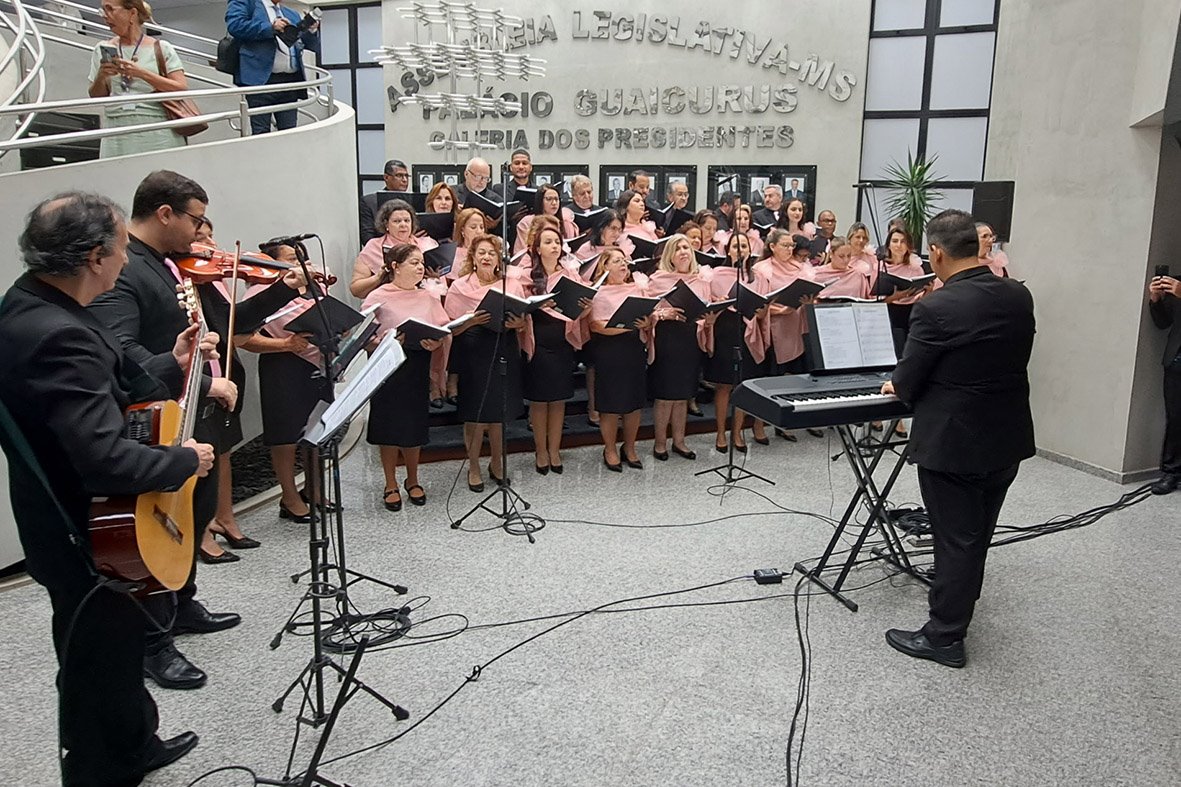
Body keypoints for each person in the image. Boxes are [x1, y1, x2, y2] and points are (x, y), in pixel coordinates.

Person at [0, 192, 215, 786]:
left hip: (68, 519)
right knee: (96, 655)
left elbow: (106, 390)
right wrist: (183, 461)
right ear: (95, 257)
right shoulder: (57, 335)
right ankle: (104, 769)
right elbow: (104, 459)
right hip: (85, 529)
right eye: (121, 248)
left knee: (113, 648)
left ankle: (134, 742)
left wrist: (170, 363)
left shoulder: (30, 301)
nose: (126, 259)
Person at [87, 170, 242, 692]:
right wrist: (188, 368)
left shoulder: (163, 262)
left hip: (183, 409)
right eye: (195, 220)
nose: (200, 232)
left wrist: (199, 352)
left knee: (193, 509)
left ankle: (181, 602)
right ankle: (154, 642)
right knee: (158, 526)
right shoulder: (126, 267)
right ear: (165, 213)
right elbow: (121, 350)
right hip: (150, 418)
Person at [882, 209, 1035, 669]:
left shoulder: (936, 307)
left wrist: (895, 383)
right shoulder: (1017, 295)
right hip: (1006, 435)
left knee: (955, 539)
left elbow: (908, 382)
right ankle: (961, 601)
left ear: (936, 253)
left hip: (954, 443)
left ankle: (944, 636)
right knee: (977, 534)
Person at [242, 241, 333, 524]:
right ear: (272, 264)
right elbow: (245, 338)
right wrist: (284, 344)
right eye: (292, 258)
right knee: (285, 435)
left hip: (316, 364)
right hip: (282, 365)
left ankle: (314, 490)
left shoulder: (313, 287)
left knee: (316, 430)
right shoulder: (261, 292)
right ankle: (289, 497)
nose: (300, 263)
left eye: (302, 257)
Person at [362, 244, 450, 509]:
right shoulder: (378, 296)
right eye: (413, 262)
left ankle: (413, 479)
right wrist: (383, 343)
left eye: (421, 262)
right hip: (387, 367)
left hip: (416, 363)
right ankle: (390, 482)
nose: (420, 267)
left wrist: (436, 342)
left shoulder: (427, 296)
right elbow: (363, 337)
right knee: (388, 426)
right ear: (395, 267)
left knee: (414, 425)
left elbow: (443, 328)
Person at [444, 234, 532, 492]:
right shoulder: (459, 286)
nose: (486, 257)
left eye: (492, 253)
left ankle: (497, 463)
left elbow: (523, 319)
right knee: (475, 415)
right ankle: (473, 466)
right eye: (481, 252)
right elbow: (449, 328)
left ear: (499, 259)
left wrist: (519, 323)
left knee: (499, 414)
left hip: (504, 347)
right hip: (473, 352)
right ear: (472, 257)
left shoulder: (511, 285)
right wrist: (471, 320)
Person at [522, 219, 589, 473]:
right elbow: (519, 309)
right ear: (537, 248)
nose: (554, 246)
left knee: (559, 400)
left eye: (557, 242)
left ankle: (555, 450)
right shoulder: (527, 276)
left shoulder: (570, 274)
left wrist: (585, 307)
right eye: (548, 242)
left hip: (562, 342)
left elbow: (578, 311)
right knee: (540, 402)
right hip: (538, 342)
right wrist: (537, 304)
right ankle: (540, 451)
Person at [88, 0, 188, 158]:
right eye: (103, 10)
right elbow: (95, 96)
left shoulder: (161, 48)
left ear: (132, 13)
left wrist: (141, 73)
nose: (105, 16)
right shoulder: (102, 49)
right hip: (116, 130)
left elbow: (181, 88)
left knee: (161, 173)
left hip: (157, 129)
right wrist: (102, 76)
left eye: (110, 9)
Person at [701, 231, 769, 452]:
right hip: (724, 329)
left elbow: (763, 309)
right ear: (728, 251)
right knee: (724, 385)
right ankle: (721, 432)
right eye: (736, 247)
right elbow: (707, 304)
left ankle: (737, 431)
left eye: (744, 246)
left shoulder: (757, 277)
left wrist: (761, 311)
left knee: (743, 384)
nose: (740, 251)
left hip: (747, 329)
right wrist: (718, 303)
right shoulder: (716, 275)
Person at [648, 234, 714, 460]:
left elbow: (705, 311)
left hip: (690, 338)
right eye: (677, 249)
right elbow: (647, 311)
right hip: (667, 338)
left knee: (683, 394)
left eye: (686, 247)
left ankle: (679, 441)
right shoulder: (658, 279)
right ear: (670, 255)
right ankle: (660, 443)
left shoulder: (701, 281)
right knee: (666, 395)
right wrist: (662, 313)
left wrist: (709, 321)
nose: (683, 252)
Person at [590, 247, 653, 469]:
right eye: (616, 261)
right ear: (605, 266)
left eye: (624, 260)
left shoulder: (637, 289)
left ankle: (630, 447)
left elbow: (648, 317)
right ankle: (610, 449)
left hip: (633, 349)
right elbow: (596, 325)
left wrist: (647, 323)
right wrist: (626, 327)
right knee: (610, 404)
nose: (623, 264)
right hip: (609, 351)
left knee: (634, 403)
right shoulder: (598, 292)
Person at [754, 229, 816, 440]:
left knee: (791, 379)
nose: (790, 249)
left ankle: (784, 421)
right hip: (774, 329)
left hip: (796, 328)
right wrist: (781, 310)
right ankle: (759, 424)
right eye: (785, 245)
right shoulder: (762, 269)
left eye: (792, 246)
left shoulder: (800, 268)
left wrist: (809, 301)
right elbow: (757, 303)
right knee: (769, 380)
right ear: (772, 246)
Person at [226, 0, 320, 135]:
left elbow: (310, 45)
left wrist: (312, 29)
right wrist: (270, 27)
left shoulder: (291, 14)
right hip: (261, 80)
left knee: (290, 132)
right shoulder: (247, 4)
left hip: (290, 82)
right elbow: (235, 25)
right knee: (261, 133)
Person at [351, 199, 439, 298]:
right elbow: (356, 290)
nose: (403, 225)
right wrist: (378, 277)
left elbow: (444, 283)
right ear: (386, 224)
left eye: (407, 220)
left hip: (424, 299)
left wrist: (436, 279)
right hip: (386, 300)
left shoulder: (428, 244)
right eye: (397, 221)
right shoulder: (374, 246)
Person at [1148, 268, 1181, 494]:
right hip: (1177, 359)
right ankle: (1171, 472)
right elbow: (1163, 322)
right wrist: (1156, 299)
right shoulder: (1176, 282)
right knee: (1175, 417)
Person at [514, 183, 577, 254]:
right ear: (540, 201)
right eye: (549, 199)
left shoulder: (565, 222)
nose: (554, 203)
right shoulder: (527, 222)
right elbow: (521, 253)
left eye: (556, 199)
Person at [359, 160, 411, 244]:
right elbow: (367, 237)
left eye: (406, 176)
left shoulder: (413, 200)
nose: (404, 180)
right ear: (386, 177)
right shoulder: (370, 202)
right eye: (399, 175)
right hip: (380, 249)